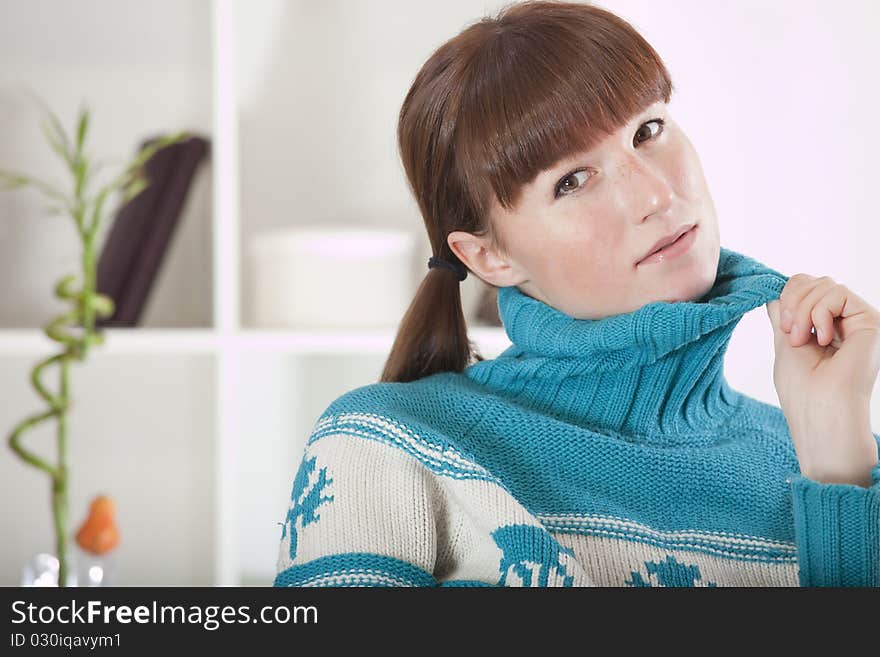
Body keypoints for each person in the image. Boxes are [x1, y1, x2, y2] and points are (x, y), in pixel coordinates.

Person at [274, 0, 880, 587]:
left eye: (649, 130)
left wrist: (837, 466)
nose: (656, 196)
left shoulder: (841, 457)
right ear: (489, 256)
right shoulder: (387, 448)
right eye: (572, 180)